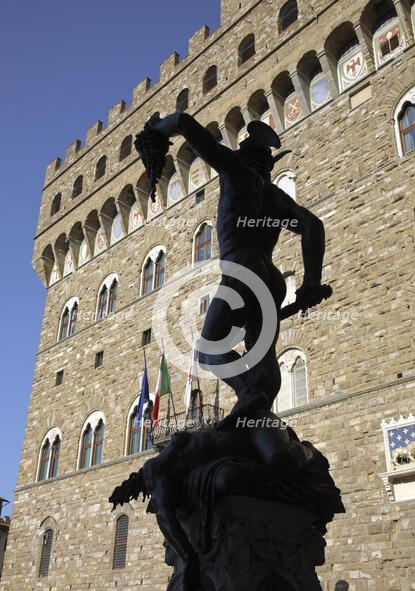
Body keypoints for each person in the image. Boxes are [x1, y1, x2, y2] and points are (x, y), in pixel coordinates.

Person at [135, 113, 330, 426]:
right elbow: (312, 226)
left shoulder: (235, 171)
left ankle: (246, 392)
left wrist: (157, 128)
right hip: (271, 280)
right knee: (261, 352)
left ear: (246, 154)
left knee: (209, 349)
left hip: (242, 271)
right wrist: (311, 282)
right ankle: (262, 413)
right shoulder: (275, 196)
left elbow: (185, 123)